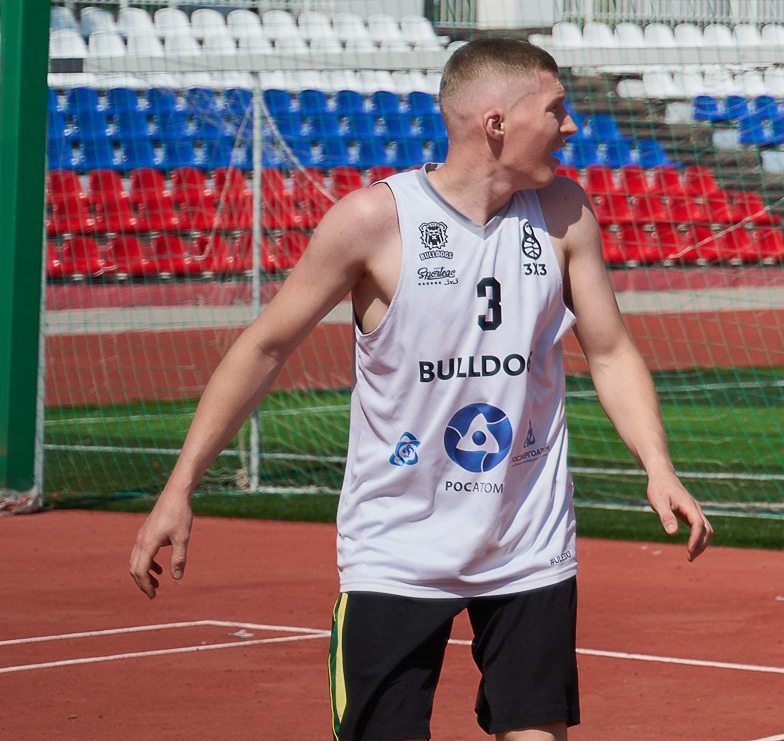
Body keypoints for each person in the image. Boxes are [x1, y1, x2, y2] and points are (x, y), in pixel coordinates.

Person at [128, 36, 714, 741]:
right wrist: (180, 487)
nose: (572, 126)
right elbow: (264, 346)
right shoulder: (373, 221)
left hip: (526, 543)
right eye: (556, 109)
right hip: (395, 549)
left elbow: (611, 351)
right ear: (496, 123)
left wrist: (658, 465)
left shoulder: (564, 211)